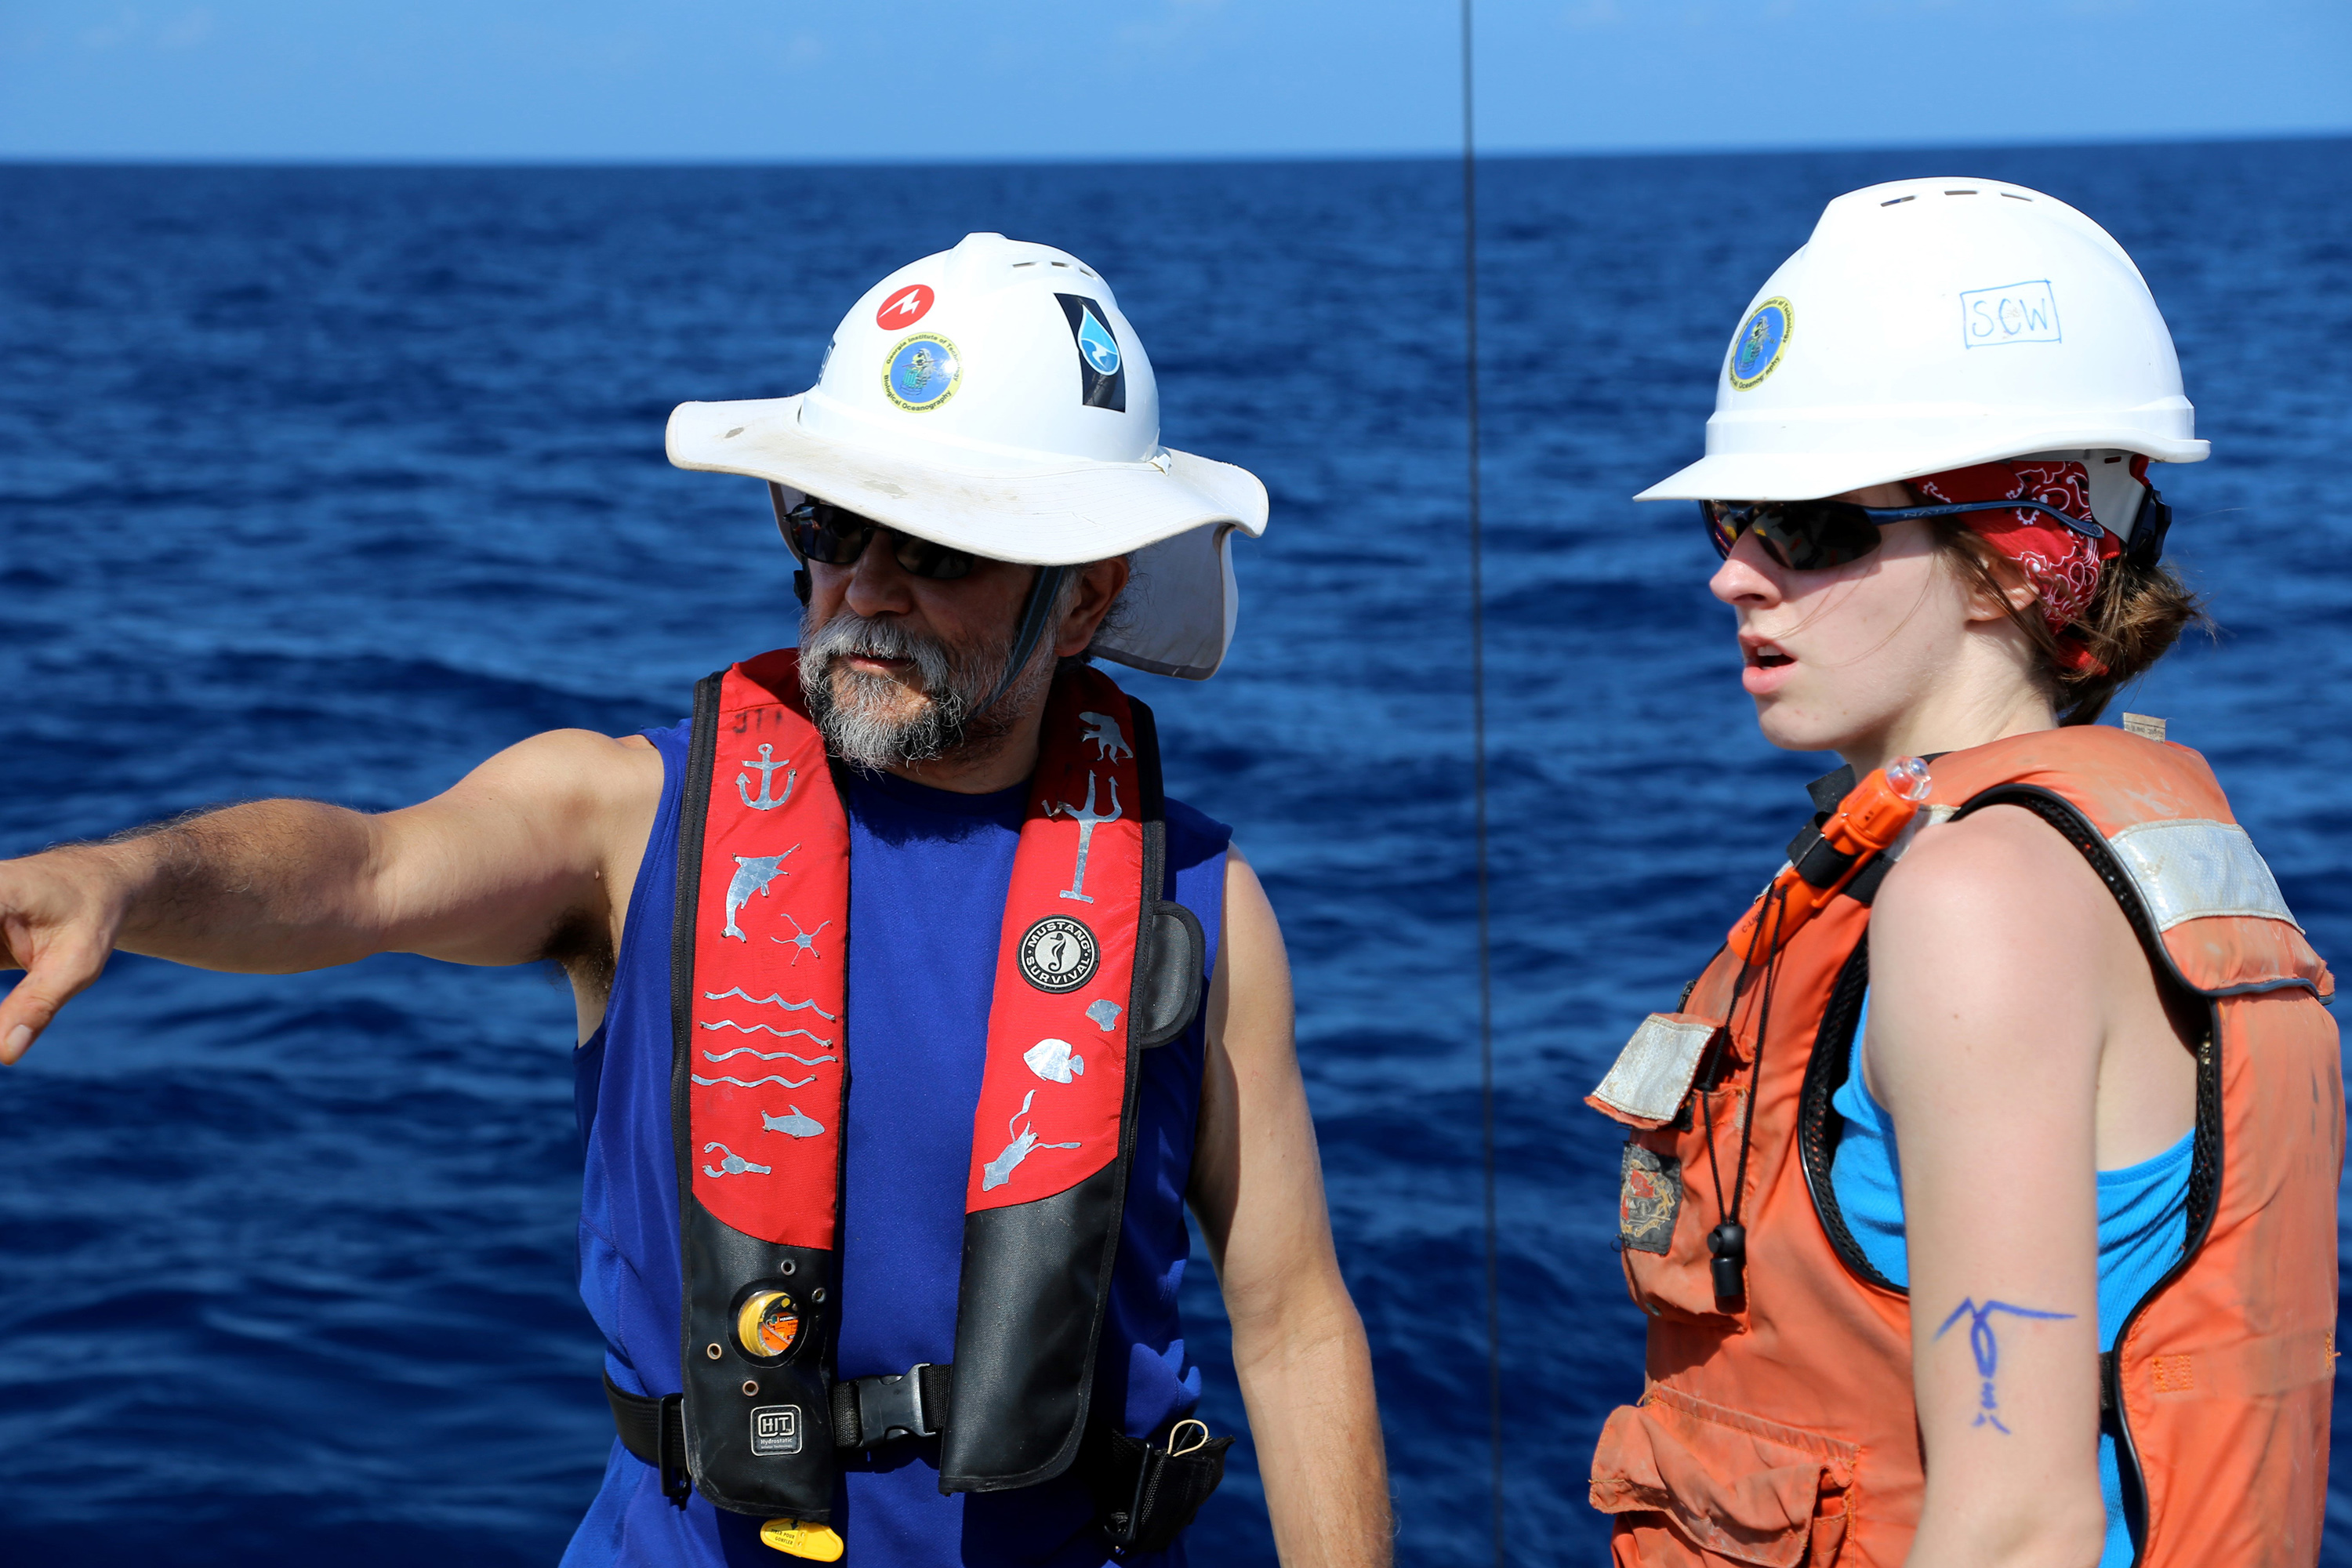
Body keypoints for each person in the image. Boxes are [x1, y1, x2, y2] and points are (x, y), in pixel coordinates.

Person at [0, 233, 1391, 1568]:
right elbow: (361, 873)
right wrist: (125, 876)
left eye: (941, 550)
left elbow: (1290, 1323)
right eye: (832, 524)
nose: (869, 590)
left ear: (1083, 602)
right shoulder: (628, 821)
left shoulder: (1202, 912)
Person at [1582, 181, 2338, 1567]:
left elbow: (2017, 1529)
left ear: (2008, 559)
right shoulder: (2113, 855)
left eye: (1807, 527)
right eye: (1733, 522)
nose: (1736, 578)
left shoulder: (1976, 898)